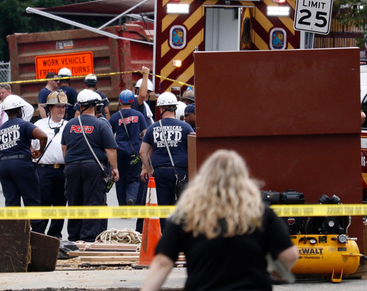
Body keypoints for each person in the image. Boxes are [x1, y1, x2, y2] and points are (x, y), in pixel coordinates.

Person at [141, 150, 299, 291]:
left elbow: (163, 263)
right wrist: (278, 271)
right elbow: (290, 255)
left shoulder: (187, 215)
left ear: (203, 179)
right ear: (243, 180)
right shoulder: (261, 213)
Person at [61, 89, 119, 242]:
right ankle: (88, 238)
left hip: (71, 167)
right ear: (96, 106)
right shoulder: (101, 125)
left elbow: (64, 148)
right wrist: (115, 168)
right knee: (92, 201)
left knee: (74, 202)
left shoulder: (70, 125)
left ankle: (74, 237)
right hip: (93, 168)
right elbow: (110, 149)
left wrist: (70, 164)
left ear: (79, 106)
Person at [0, 95, 48, 233]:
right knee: (31, 198)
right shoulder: (24, 124)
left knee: (11, 201)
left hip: (4, 166)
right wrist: (39, 151)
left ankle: (14, 234)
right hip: (22, 164)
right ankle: (37, 234)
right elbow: (43, 136)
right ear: (19, 111)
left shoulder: (0, 130)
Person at [140, 92, 194, 229]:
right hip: (181, 173)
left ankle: (164, 237)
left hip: (160, 173)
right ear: (174, 108)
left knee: (163, 208)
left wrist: (149, 169)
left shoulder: (153, 128)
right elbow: (193, 150)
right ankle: (180, 238)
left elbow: (143, 152)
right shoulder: (186, 127)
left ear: (161, 109)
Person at [32, 91, 69, 238]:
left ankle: (55, 234)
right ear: (50, 108)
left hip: (63, 169)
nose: (61, 110)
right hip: (44, 170)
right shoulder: (39, 125)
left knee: (60, 204)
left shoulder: (69, 126)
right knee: (43, 203)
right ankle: (40, 234)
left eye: (64, 107)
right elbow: (31, 146)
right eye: (58, 106)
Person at [109, 90, 147, 206]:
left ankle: (122, 206)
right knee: (134, 178)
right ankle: (131, 198)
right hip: (134, 153)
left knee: (120, 180)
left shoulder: (115, 117)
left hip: (119, 152)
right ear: (132, 101)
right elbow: (145, 133)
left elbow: (110, 136)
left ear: (120, 101)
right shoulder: (139, 115)